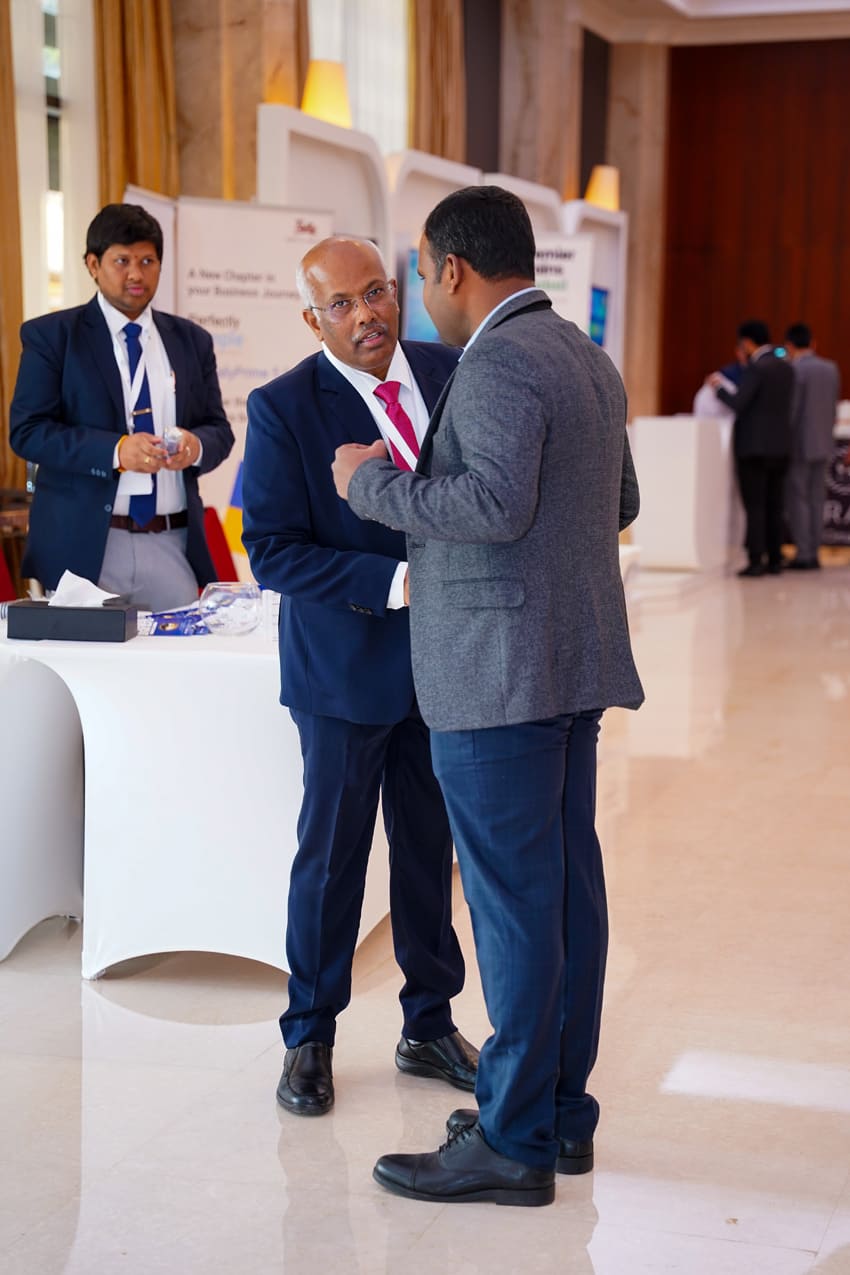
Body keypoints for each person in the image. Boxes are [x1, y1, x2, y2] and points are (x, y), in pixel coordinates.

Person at [332, 187, 644, 1206]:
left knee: (514, 909)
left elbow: (494, 504)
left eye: (419, 274)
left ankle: (511, 1142)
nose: (419, 293)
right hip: (564, 664)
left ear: (454, 270)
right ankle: (555, 1115)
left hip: (500, 672)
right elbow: (621, 500)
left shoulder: (500, 359)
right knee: (563, 897)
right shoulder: (584, 357)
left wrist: (367, 482)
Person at [241, 235, 478, 1118]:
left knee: (428, 851)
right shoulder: (282, 407)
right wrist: (394, 582)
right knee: (333, 856)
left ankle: (429, 1023)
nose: (366, 314)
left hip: (447, 664)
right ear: (314, 321)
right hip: (342, 674)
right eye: (340, 304)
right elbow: (272, 550)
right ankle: (309, 1034)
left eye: (375, 292)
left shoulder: (450, 370)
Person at [9, 203, 234, 610]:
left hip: (171, 542)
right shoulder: (53, 337)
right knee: (87, 653)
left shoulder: (192, 341)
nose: (136, 274)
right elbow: (28, 432)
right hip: (86, 546)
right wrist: (114, 451)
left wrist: (195, 445)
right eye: (122, 261)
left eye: (147, 261)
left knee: (183, 651)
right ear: (93, 265)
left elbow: (219, 429)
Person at [709, 320, 794, 577]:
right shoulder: (786, 367)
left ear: (747, 342)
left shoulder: (756, 368)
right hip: (781, 446)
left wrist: (718, 388)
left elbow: (739, 402)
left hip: (754, 448)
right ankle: (775, 559)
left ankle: (756, 560)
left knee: (755, 506)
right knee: (775, 505)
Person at [783, 323, 841, 569]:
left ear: (789, 346)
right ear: (813, 343)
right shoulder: (831, 368)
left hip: (799, 444)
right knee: (817, 498)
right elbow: (833, 407)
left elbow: (792, 410)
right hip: (825, 442)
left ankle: (804, 554)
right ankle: (814, 550)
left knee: (798, 499)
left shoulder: (795, 370)